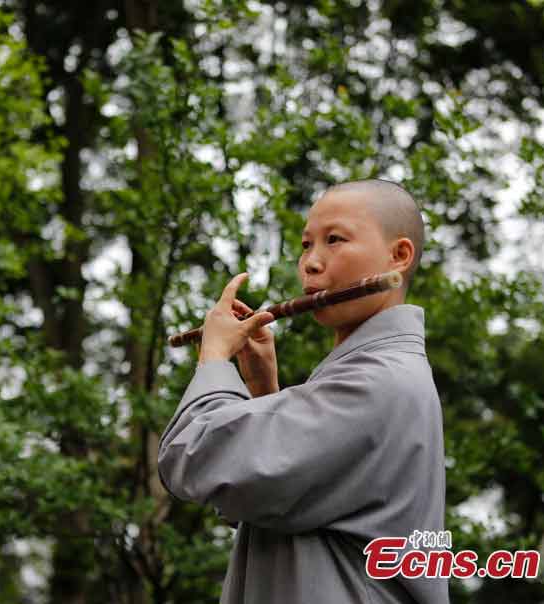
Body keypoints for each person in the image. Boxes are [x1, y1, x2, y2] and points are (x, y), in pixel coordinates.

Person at [158, 179, 449, 603]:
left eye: (335, 240)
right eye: (306, 244)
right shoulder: (372, 373)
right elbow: (270, 498)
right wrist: (263, 389)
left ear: (398, 255)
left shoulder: (377, 381)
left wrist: (215, 357)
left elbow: (195, 456)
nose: (311, 263)